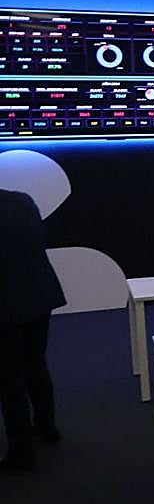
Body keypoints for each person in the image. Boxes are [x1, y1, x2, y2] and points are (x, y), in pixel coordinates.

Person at [0, 188, 66, 472]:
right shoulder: (22, 200)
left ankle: (21, 451)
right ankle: (46, 427)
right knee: (35, 363)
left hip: (6, 305)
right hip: (39, 295)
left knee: (9, 379)